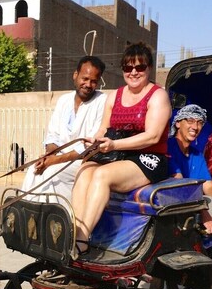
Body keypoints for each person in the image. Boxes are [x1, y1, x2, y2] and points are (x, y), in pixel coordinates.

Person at [71, 42, 171, 249]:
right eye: (128, 67)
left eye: (139, 67)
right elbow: (103, 129)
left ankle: (81, 240)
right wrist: (94, 140)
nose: (133, 72)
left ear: (149, 68)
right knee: (84, 170)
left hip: (149, 158)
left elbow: (152, 137)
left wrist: (115, 144)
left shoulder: (158, 95)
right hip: (119, 155)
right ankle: (74, 231)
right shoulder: (114, 96)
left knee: (102, 175)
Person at [20, 55, 107, 203]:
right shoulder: (64, 101)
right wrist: (49, 156)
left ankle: (63, 222)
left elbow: (89, 145)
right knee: (32, 171)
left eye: (93, 81)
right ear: (75, 75)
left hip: (84, 161)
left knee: (52, 173)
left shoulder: (102, 101)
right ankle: (31, 216)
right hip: (57, 157)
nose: (88, 84)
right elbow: (52, 136)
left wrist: (54, 161)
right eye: (84, 79)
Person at [167, 104, 212, 262]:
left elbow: (208, 185)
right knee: (207, 201)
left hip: (190, 203)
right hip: (171, 202)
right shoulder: (169, 146)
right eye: (190, 121)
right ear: (178, 123)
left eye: (199, 122)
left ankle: (207, 246)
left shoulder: (196, 154)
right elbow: (179, 184)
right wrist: (205, 213)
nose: (195, 126)